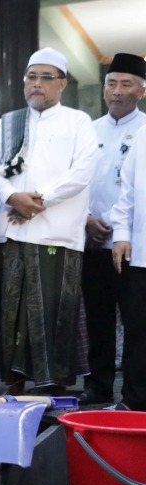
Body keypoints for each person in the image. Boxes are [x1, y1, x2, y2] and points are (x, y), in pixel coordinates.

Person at [0, 48, 97, 395]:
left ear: (62, 84)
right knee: (10, 312)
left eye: (45, 78)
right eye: (31, 77)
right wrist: (11, 196)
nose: (36, 84)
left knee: (51, 311)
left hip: (56, 233)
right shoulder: (8, 122)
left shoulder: (78, 121)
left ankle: (53, 386)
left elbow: (81, 173)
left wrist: (37, 200)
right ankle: (15, 382)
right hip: (12, 233)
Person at [81, 54, 146, 406]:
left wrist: (123, 229)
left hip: (134, 246)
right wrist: (87, 220)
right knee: (97, 320)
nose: (116, 91)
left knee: (137, 324)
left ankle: (135, 394)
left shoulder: (145, 130)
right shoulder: (90, 131)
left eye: (126, 84)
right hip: (93, 241)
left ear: (142, 90)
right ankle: (98, 385)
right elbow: (78, 186)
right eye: (111, 83)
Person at [111, 124, 146, 412]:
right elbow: (128, 191)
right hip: (142, 251)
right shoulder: (144, 134)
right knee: (138, 329)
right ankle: (134, 401)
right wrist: (121, 233)